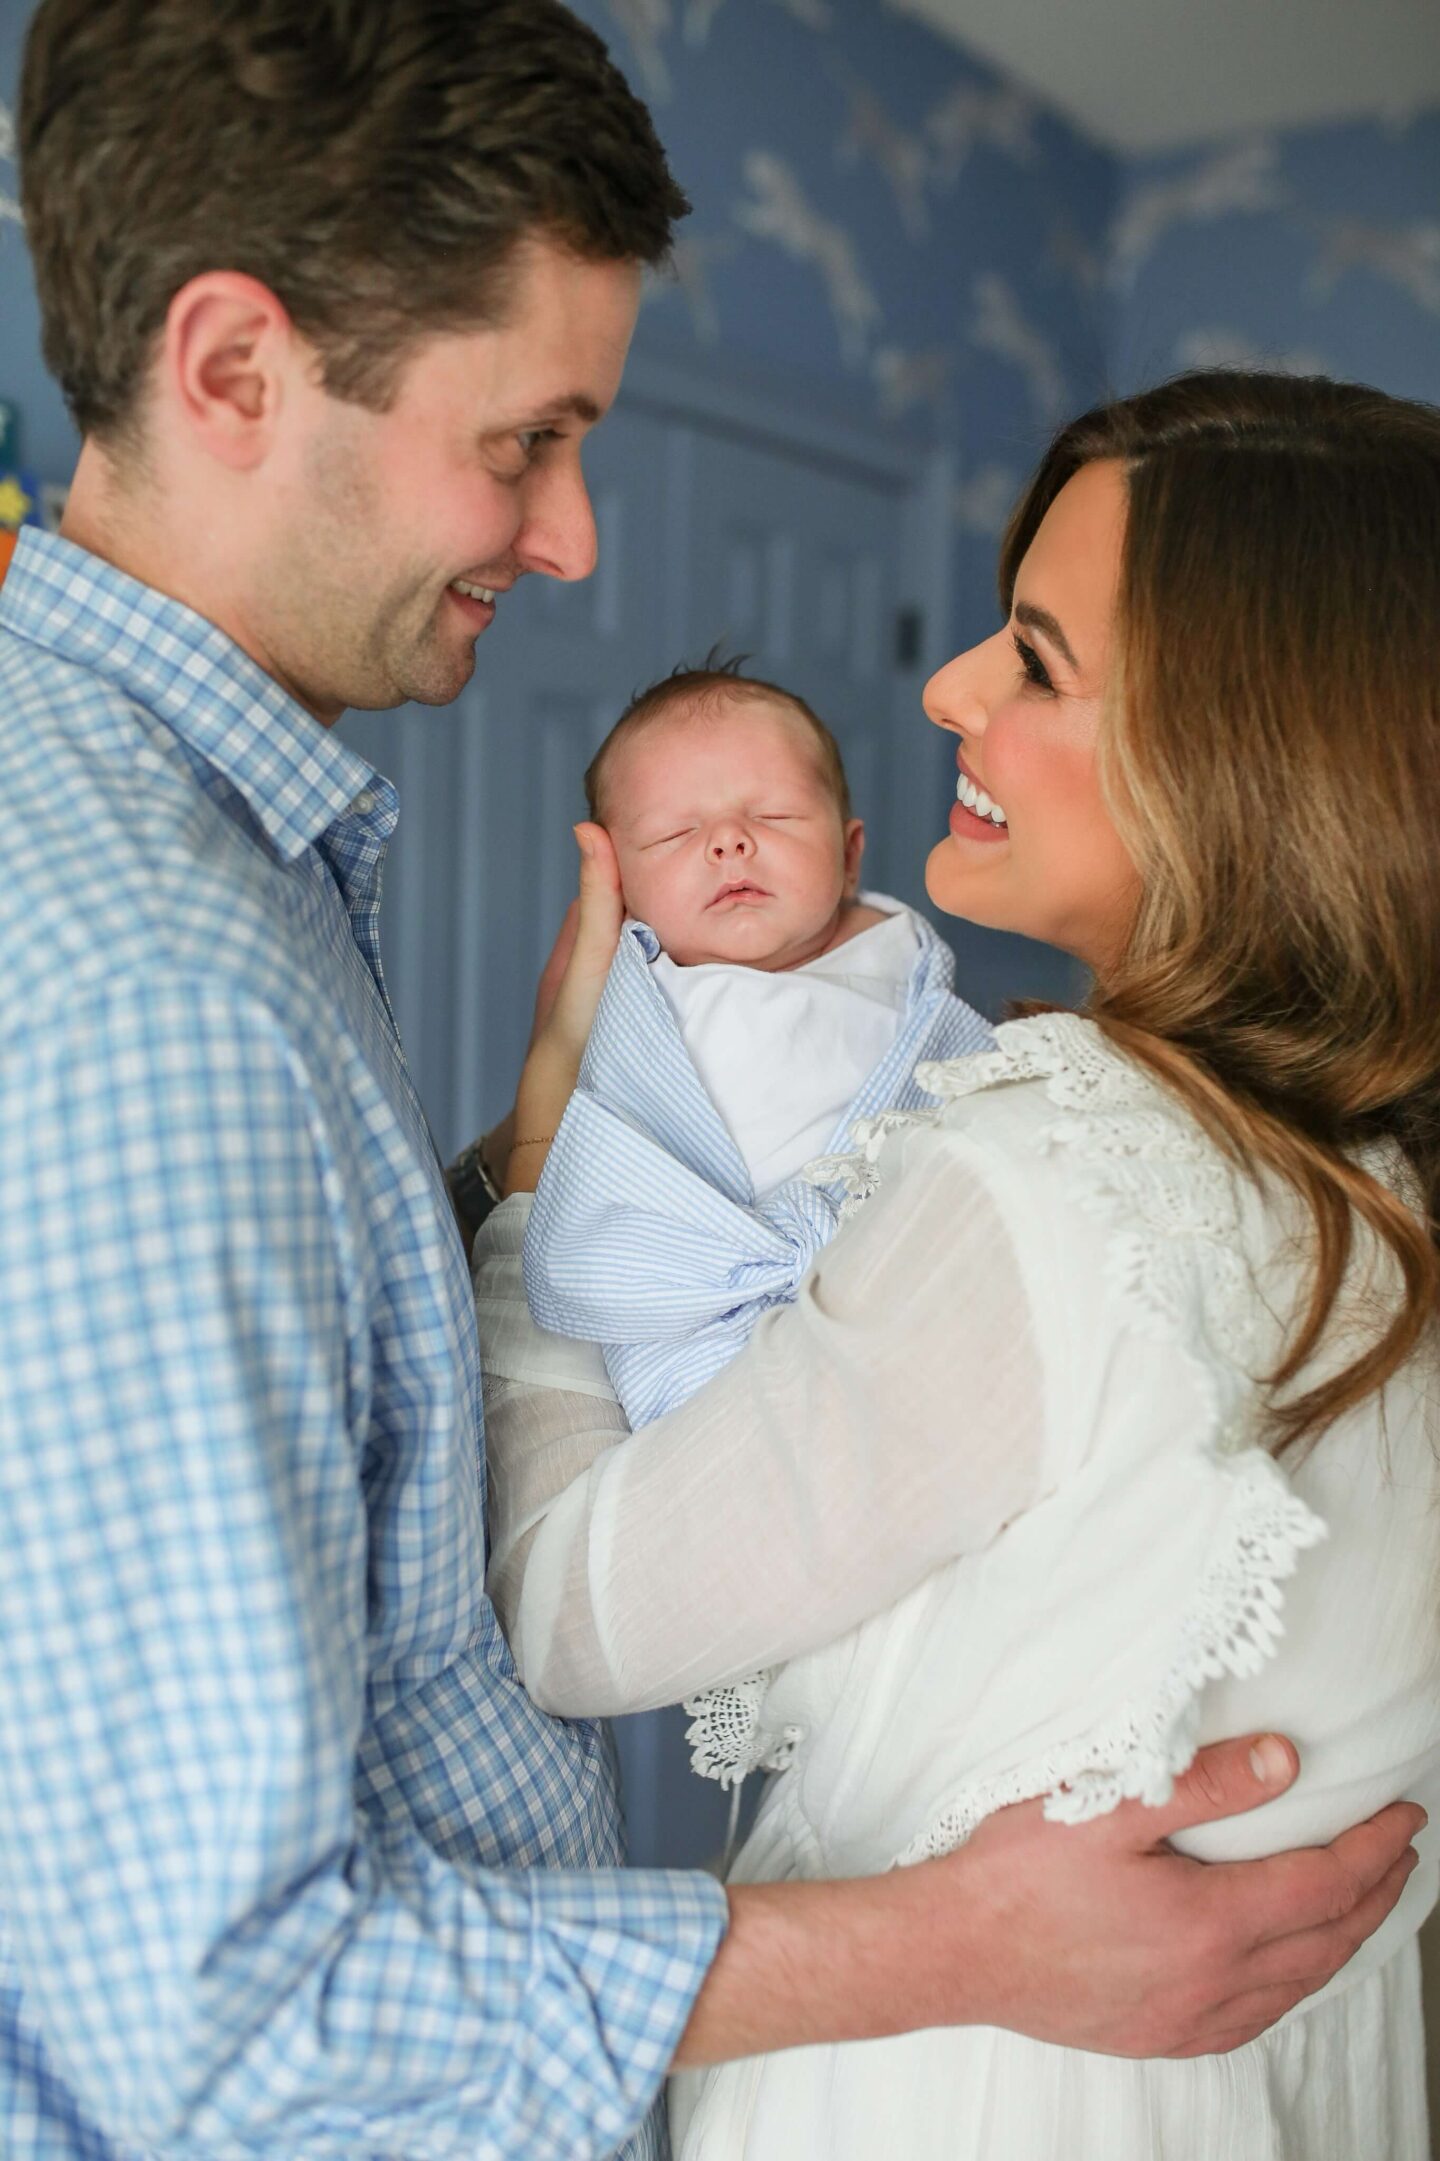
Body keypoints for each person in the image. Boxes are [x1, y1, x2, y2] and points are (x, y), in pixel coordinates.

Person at [0, 0, 1421, 2151]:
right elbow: (222, 2008)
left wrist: (527, 1174)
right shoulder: (165, 985)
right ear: (229, 369)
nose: (572, 542)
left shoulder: (204, 883)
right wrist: (960, 1941)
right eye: (525, 440)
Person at [478, 370, 1440, 2157]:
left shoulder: (1054, 1183)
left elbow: (572, 1605)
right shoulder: (1382, 1191)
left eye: (1037, 657)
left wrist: (542, 1179)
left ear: (1247, 758)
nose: (945, 689)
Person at [513, 658, 993, 1429]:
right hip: (709, 1319)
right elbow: (603, 1193)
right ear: (620, 891)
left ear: (850, 854)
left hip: (899, 1292)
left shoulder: (899, 962)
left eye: (773, 817)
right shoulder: (642, 1001)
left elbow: (967, 1084)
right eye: (676, 832)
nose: (730, 842)